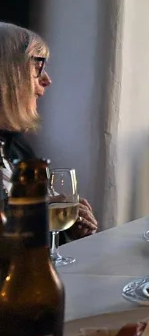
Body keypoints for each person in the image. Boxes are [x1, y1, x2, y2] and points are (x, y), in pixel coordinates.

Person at [0, 22, 98, 238]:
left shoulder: (16, 148)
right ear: (7, 74)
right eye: (38, 67)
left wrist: (65, 231)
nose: (47, 80)